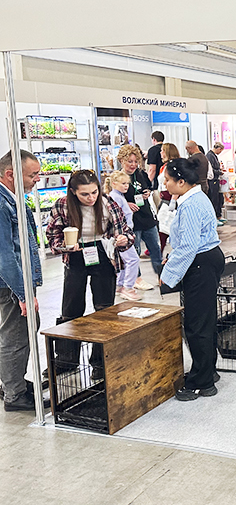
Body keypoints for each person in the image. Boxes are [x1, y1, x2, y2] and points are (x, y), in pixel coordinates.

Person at [46, 170, 135, 380]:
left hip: (103, 253)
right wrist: (64, 245)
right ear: (73, 192)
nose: (91, 198)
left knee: (104, 310)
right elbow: (52, 235)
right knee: (70, 309)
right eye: (84, 194)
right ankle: (66, 360)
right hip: (75, 255)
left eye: (94, 192)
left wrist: (124, 239)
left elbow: (127, 231)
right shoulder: (62, 205)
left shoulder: (108, 203)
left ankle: (100, 362)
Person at [159, 157, 224, 401]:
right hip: (206, 260)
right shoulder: (193, 198)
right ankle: (207, 370)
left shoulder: (191, 205)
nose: (165, 184)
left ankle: (200, 382)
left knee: (197, 325)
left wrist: (168, 276)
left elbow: (188, 246)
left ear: (181, 181)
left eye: (168, 180)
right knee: (204, 321)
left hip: (200, 263)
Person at [0, 150, 44, 412]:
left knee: (21, 331)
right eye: (33, 175)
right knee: (16, 336)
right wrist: (23, 293)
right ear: (10, 174)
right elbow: (5, 256)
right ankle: (14, 394)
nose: (37, 179)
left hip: (16, 282)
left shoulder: (11, 199)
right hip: (11, 285)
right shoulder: (2, 204)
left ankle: (12, 381)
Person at [117, 145, 162, 289]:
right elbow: (113, 199)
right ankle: (136, 278)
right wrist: (126, 204)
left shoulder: (141, 174)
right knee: (134, 250)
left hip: (147, 216)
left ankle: (161, 276)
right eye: (130, 161)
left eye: (136, 161)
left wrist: (147, 193)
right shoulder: (118, 178)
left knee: (155, 248)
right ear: (122, 161)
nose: (133, 165)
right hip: (131, 221)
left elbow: (147, 187)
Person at [103, 171, 141, 302]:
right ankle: (128, 288)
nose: (126, 186)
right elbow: (116, 219)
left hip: (124, 233)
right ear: (114, 184)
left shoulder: (119, 196)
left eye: (127, 184)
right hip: (122, 235)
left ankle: (120, 285)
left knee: (124, 261)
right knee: (133, 259)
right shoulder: (115, 197)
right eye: (123, 183)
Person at [157, 142, 181, 251]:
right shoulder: (164, 166)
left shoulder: (173, 166)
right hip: (164, 197)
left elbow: (176, 184)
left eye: (162, 150)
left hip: (170, 198)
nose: (160, 153)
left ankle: (159, 249)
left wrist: (173, 200)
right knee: (163, 224)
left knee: (166, 225)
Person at [206, 142, 225, 225]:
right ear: (219, 148)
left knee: (218, 198)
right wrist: (219, 172)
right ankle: (214, 218)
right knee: (214, 199)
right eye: (220, 150)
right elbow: (210, 169)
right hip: (212, 180)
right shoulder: (210, 156)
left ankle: (218, 215)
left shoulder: (213, 155)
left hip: (215, 179)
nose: (220, 152)